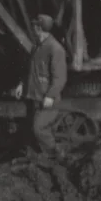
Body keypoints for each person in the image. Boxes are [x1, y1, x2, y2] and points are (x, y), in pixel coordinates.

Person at [25, 13, 69, 156]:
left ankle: (58, 155)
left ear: (39, 28)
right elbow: (32, 70)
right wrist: (21, 84)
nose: (32, 29)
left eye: (35, 26)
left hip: (47, 99)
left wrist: (50, 96)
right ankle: (44, 157)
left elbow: (60, 77)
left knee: (39, 129)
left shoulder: (55, 49)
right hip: (36, 97)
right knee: (34, 130)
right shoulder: (37, 47)